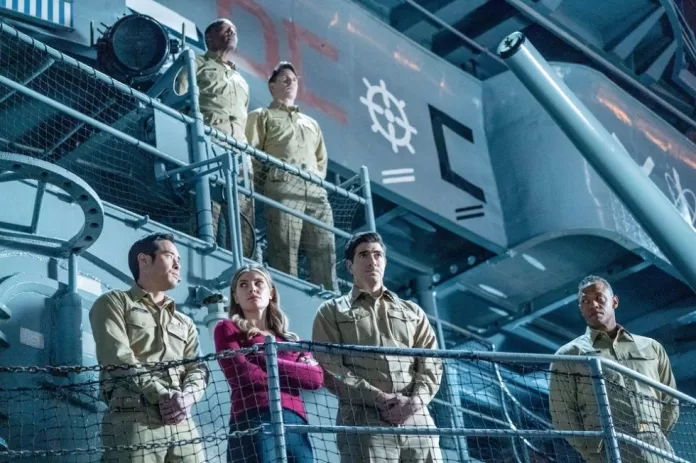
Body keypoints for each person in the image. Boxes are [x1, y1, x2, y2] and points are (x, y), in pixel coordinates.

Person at [312, 232, 443, 463]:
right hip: (364, 420)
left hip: (417, 420)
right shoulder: (331, 311)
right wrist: (378, 397)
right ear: (350, 266)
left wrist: (415, 401)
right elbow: (328, 365)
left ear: (385, 262)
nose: (372, 260)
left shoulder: (413, 312)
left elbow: (431, 362)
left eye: (377, 254)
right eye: (363, 255)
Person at [89, 233, 209, 462]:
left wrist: (187, 399)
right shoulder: (114, 303)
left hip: (183, 424)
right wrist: (164, 396)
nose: (177, 264)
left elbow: (198, 369)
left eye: (179, 260)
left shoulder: (185, 323)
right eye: (169, 256)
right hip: (134, 418)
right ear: (144, 260)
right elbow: (117, 357)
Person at [549, 275, 679, 463]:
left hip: (657, 452)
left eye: (599, 298)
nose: (593, 305)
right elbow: (562, 415)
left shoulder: (651, 347)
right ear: (580, 309)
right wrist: (593, 452)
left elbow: (670, 401)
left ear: (614, 301)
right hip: (607, 452)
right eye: (585, 301)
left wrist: (652, 433)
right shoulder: (569, 355)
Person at [214, 263, 323, 463]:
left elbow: (315, 378)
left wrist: (264, 358)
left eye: (258, 283)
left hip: (296, 425)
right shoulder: (227, 328)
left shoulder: (293, 340)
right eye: (243, 285)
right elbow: (242, 375)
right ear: (236, 296)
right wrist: (292, 374)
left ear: (271, 292)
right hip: (253, 419)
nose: (252, 288)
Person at [245, 61, 336, 290]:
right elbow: (250, 155)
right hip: (282, 182)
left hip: (315, 189)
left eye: (294, 79)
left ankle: (327, 301)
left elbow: (321, 160)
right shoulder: (262, 115)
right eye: (284, 78)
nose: (290, 82)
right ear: (271, 85)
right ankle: (287, 295)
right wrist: (263, 185)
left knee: (325, 248)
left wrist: (315, 181)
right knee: (285, 246)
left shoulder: (312, 123)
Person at [176, 18, 254, 256]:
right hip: (209, 142)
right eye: (225, 29)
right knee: (208, 207)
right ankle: (204, 257)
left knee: (243, 215)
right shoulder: (195, 63)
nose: (232, 32)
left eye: (235, 29)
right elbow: (178, 98)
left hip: (240, 152)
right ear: (209, 38)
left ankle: (243, 268)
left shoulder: (241, 81)